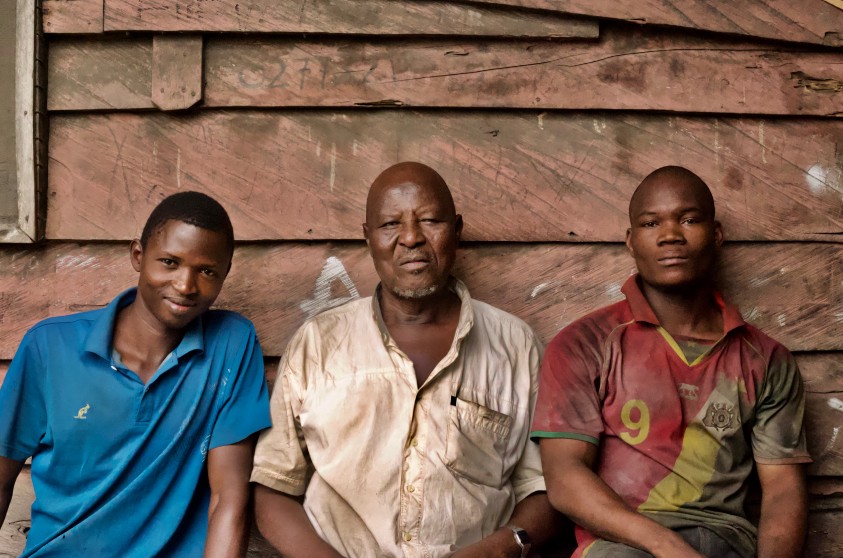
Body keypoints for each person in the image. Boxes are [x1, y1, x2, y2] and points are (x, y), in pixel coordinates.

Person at [251, 162, 558, 557]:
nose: (411, 237)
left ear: (457, 231)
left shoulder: (514, 345)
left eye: (430, 220)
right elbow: (272, 488)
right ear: (368, 237)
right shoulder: (319, 344)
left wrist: (497, 549)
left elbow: (546, 488)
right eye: (390, 224)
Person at [0, 192, 271, 557]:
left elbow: (228, 499)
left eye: (206, 271)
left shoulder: (231, 345)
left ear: (225, 273)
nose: (186, 285)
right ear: (138, 257)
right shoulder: (51, 347)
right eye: (170, 262)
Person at [532, 166, 811, 558]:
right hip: (621, 546)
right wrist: (668, 548)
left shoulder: (765, 360)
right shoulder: (584, 344)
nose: (670, 236)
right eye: (651, 223)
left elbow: (783, 488)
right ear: (631, 241)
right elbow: (565, 478)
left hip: (728, 545)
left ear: (715, 235)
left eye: (689, 219)